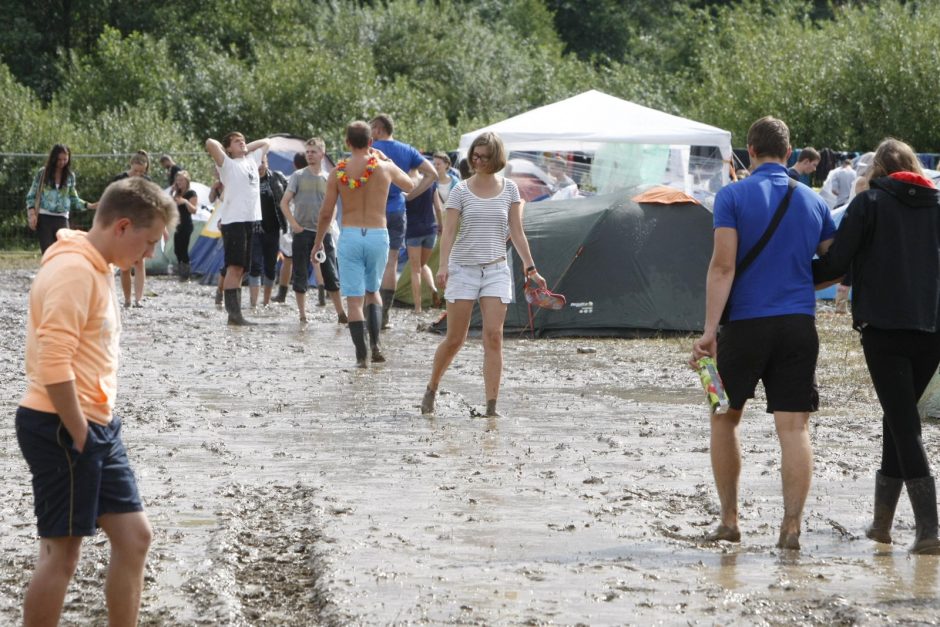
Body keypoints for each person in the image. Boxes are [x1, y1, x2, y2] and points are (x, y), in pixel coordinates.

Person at [15, 176, 176, 627]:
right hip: (61, 425)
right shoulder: (72, 271)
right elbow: (53, 364)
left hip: (96, 423)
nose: (150, 255)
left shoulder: (98, 266)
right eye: (149, 243)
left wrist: (95, 431)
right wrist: (81, 433)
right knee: (62, 555)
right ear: (122, 226)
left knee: (135, 536)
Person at [689, 116, 836, 550]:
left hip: (745, 325)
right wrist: (797, 279)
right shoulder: (813, 201)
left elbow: (723, 266)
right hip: (797, 325)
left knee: (724, 417)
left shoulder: (732, 195)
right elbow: (834, 264)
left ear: (749, 152)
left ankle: (730, 520)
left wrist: (709, 331)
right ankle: (791, 528)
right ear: (790, 155)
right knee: (794, 429)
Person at [813, 138, 940, 555]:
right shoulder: (937, 204)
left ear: (877, 171)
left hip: (884, 328)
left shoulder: (869, 205)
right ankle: (882, 524)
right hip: (931, 329)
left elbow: (836, 264)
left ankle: (929, 529)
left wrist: (791, 273)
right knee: (897, 417)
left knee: (905, 425)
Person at [421, 131, 547, 418]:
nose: (477, 161)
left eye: (483, 156)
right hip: (463, 269)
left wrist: (531, 268)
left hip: (496, 269)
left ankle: (491, 407)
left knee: (493, 336)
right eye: (474, 156)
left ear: (496, 158)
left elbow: (516, 232)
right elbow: (449, 231)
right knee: (455, 338)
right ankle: (431, 387)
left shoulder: (511, 190)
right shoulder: (460, 190)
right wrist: (442, 266)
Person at [313, 121, 413, 366]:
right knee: (373, 292)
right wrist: (386, 159)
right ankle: (377, 344)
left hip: (350, 235)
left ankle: (361, 356)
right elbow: (410, 186)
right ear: (371, 142)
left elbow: (326, 213)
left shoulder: (339, 171)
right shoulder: (384, 167)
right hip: (378, 234)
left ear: (347, 142)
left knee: (354, 300)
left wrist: (318, 243)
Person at [370, 113, 437, 329]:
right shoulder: (407, 150)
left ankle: (369, 313)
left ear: (378, 130)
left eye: (372, 129)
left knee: (370, 262)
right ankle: (385, 316)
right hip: (398, 210)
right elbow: (432, 173)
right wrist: (411, 194)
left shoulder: (370, 149)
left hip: (373, 211)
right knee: (391, 263)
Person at [205, 132, 271, 325]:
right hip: (233, 221)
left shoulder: (251, 159)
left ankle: (236, 313)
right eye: (236, 141)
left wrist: (244, 147)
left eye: (243, 139)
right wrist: (232, 150)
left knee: (242, 269)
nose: (242, 142)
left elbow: (267, 142)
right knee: (234, 267)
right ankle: (234, 315)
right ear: (228, 148)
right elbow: (210, 142)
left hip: (249, 219)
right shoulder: (227, 164)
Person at [280, 137, 347, 324]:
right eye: (307, 152)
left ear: (322, 154)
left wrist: (330, 224)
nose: (310, 155)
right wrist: (293, 224)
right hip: (302, 232)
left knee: (331, 274)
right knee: (300, 274)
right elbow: (284, 202)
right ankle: (303, 314)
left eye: (313, 152)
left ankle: (341, 313)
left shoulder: (329, 178)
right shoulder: (298, 176)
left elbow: (333, 205)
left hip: (323, 233)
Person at [25, 144, 98, 254]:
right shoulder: (42, 173)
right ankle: (49, 271)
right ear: (53, 158)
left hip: (62, 219)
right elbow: (31, 195)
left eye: (65, 159)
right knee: (48, 254)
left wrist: (90, 205)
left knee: (63, 253)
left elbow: (74, 199)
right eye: (59, 159)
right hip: (44, 218)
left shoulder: (70, 176)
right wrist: (32, 214)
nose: (62, 162)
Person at [110, 151, 153, 306]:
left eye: (142, 172)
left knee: (140, 262)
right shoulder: (119, 180)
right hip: (123, 225)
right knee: (125, 264)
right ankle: (127, 299)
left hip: (141, 225)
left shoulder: (147, 182)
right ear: (131, 166)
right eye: (136, 171)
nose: (138, 175)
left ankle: (138, 299)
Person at [248, 153, 288, 307]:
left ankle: (265, 302)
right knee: (255, 265)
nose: (259, 166)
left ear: (267, 163)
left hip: (273, 228)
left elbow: (290, 193)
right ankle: (253, 304)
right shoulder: (249, 179)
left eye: (262, 162)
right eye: (257, 163)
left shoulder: (277, 177)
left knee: (270, 266)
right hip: (255, 229)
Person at [404, 169, 443, 312]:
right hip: (430, 229)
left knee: (415, 270)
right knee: (422, 264)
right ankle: (433, 288)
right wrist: (441, 225)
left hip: (413, 230)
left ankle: (417, 307)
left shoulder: (405, 184)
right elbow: (438, 208)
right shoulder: (430, 182)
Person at [272, 152, 307, 304]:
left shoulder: (290, 179)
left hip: (292, 222)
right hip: (311, 221)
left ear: (294, 164)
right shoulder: (318, 177)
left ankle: (282, 293)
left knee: (288, 259)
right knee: (318, 260)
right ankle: (324, 293)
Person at [171, 170, 199, 281]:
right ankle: (180, 270)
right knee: (177, 249)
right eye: (178, 180)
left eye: (181, 180)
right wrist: (172, 193)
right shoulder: (177, 193)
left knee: (183, 249)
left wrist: (185, 202)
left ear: (186, 181)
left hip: (186, 224)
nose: (179, 182)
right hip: (178, 224)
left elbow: (194, 210)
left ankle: (185, 274)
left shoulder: (191, 193)